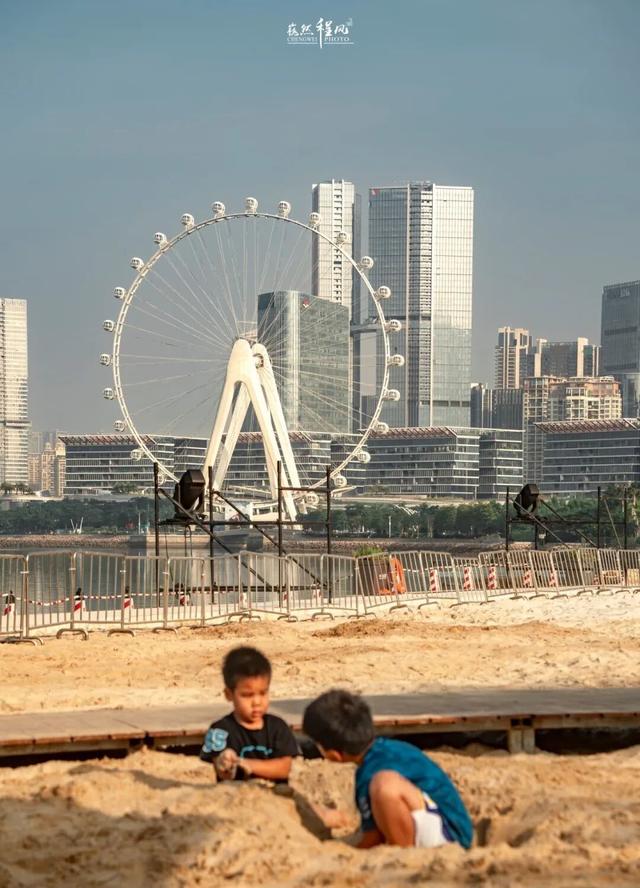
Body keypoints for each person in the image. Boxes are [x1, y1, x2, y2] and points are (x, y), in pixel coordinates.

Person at [302, 689, 473, 850]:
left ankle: (402, 851)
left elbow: (372, 839)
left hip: (446, 837)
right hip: (454, 827)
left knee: (384, 786)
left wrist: (346, 851)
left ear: (334, 755)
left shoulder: (369, 774)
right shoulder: (393, 749)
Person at [200, 646, 298, 782]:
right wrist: (225, 763)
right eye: (247, 695)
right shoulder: (220, 730)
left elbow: (285, 768)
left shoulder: (278, 727)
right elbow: (222, 771)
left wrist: (246, 764)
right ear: (229, 694)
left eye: (263, 693)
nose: (257, 702)